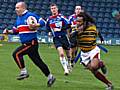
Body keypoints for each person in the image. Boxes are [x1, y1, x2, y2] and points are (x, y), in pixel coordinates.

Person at [3, 2, 55, 87]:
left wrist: (35, 25)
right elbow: (16, 31)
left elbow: (43, 22)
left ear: (23, 8)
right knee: (38, 62)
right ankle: (50, 77)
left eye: (18, 8)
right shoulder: (18, 18)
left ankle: (24, 72)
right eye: (16, 8)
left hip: (31, 43)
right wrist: (8, 31)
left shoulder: (30, 15)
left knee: (16, 54)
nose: (16, 9)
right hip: (28, 44)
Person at [75, 13, 113, 90]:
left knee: (94, 66)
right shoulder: (76, 29)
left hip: (92, 50)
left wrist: (101, 37)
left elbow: (97, 32)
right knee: (93, 71)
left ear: (84, 21)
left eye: (79, 21)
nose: (77, 23)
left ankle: (101, 64)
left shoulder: (91, 28)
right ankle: (109, 84)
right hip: (84, 53)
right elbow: (72, 38)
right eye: (77, 21)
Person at [46, 3, 71, 75]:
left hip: (64, 37)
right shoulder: (49, 19)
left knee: (69, 55)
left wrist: (60, 29)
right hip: (56, 38)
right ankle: (66, 70)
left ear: (57, 9)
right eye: (52, 8)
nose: (53, 10)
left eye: (54, 8)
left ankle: (69, 63)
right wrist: (49, 32)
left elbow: (68, 25)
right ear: (50, 10)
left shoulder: (61, 17)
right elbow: (47, 28)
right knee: (62, 54)